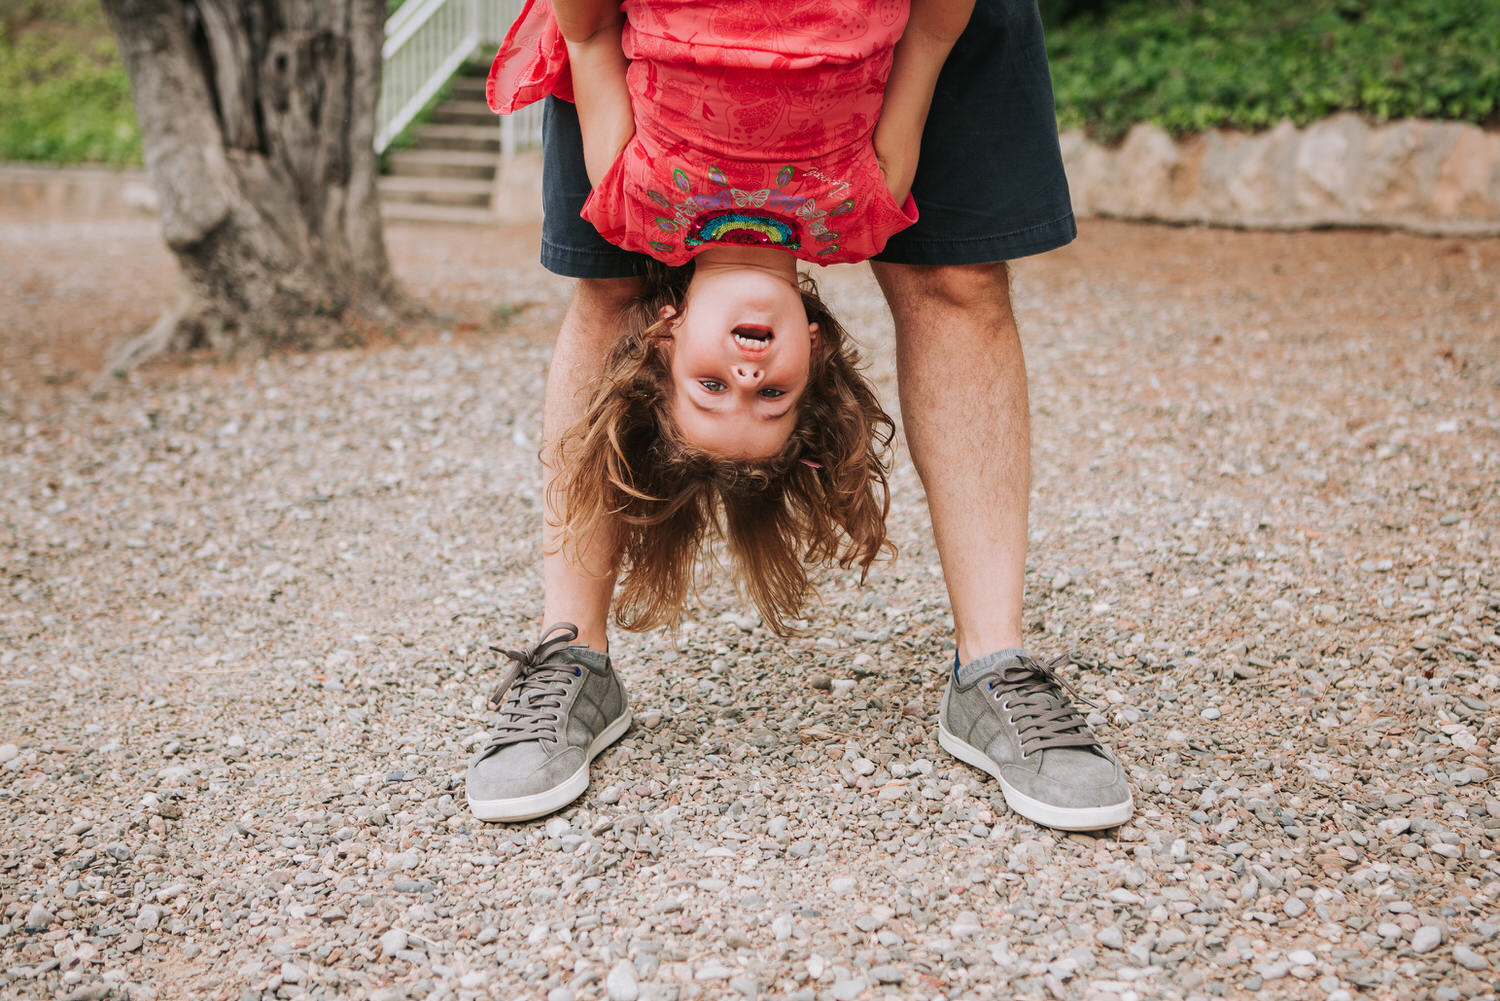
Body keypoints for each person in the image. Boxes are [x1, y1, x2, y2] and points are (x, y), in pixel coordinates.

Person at [466, 0, 1135, 832]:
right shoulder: (862, 201)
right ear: (815, 354)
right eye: (769, 393)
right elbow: (929, 37)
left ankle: (995, 661)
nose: (745, 371)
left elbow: (591, 32)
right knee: (621, 289)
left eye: (712, 386)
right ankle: (572, 653)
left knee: (619, 276)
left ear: (667, 343)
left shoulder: (630, 198)